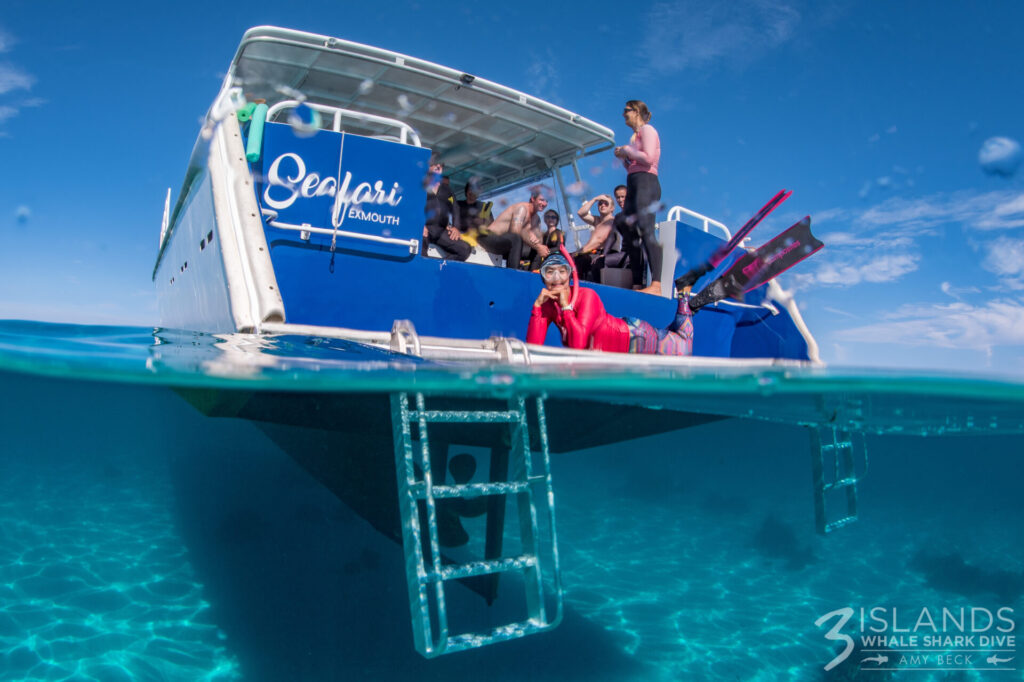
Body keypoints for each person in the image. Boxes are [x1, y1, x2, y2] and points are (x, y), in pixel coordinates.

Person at [526, 252, 692, 355]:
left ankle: (684, 294)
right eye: (549, 272)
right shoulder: (548, 305)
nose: (557, 278)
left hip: (634, 337)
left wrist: (567, 308)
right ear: (543, 277)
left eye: (562, 271)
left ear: (570, 275)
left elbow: (578, 345)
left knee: (683, 347)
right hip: (608, 355)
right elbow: (533, 348)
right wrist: (537, 310)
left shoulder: (587, 296)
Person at [613, 100, 663, 294]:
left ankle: (656, 285)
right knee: (630, 231)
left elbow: (649, 158)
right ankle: (637, 283)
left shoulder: (648, 130)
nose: (623, 113)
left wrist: (627, 150)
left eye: (626, 110)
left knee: (646, 229)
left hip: (647, 183)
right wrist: (624, 159)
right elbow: (634, 165)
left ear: (636, 112)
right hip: (634, 182)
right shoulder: (635, 137)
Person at [454, 180, 522, 268]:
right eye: (470, 189)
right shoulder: (458, 205)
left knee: (516, 238)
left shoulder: (484, 206)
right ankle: (513, 274)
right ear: (466, 191)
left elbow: (492, 226)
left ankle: (514, 272)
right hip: (475, 235)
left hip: (486, 235)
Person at [485, 190, 550, 269]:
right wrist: (530, 236)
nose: (544, 204)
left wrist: (539, 245)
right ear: (533, 199)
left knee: (538, 251)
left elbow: (539, 242)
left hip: (507, 246)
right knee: (516, 238)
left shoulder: (537, 219)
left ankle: (533, 276)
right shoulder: (522, 208)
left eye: (546, 201)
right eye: (542, 200)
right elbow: (515, 231)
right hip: (489, 239)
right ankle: (513, 274)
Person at [423, 159, 470, 261]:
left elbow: (455, 208)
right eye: (435, 166)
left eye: (440, 167)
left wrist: (456, 227)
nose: (438, 169)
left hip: (440, 231)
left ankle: (441, 269)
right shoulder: (419, 186)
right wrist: (418, 224)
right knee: (421, 252)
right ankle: (424, 272)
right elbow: (411, 206)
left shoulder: (446, 189)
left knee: (465, 249)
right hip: (424, 229)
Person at [574, 194, 618, 282]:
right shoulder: (597, 220)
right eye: (600, 203)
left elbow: (599, 240)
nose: (602, 205)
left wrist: (579, 252)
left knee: (580, 259)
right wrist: (595, 199)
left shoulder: (612, 221)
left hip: (607, 253)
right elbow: (581, 213)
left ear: (612, 208)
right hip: (594, 252)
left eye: (606, 203)